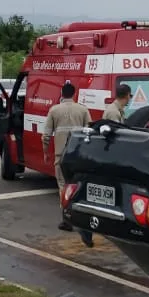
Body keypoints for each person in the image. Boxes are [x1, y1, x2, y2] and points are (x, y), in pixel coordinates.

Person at [43, 82, 94, 242]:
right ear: (74, 94)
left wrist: (45, 152)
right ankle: (82, 219)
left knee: (63, 186)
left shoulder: (54, 110)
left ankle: (67, 219)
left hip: (61, 155)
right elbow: (90, 132)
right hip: (77, 156)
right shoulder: (83, 110)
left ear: (61, 93)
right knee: (77, 187)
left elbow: (46, 135)